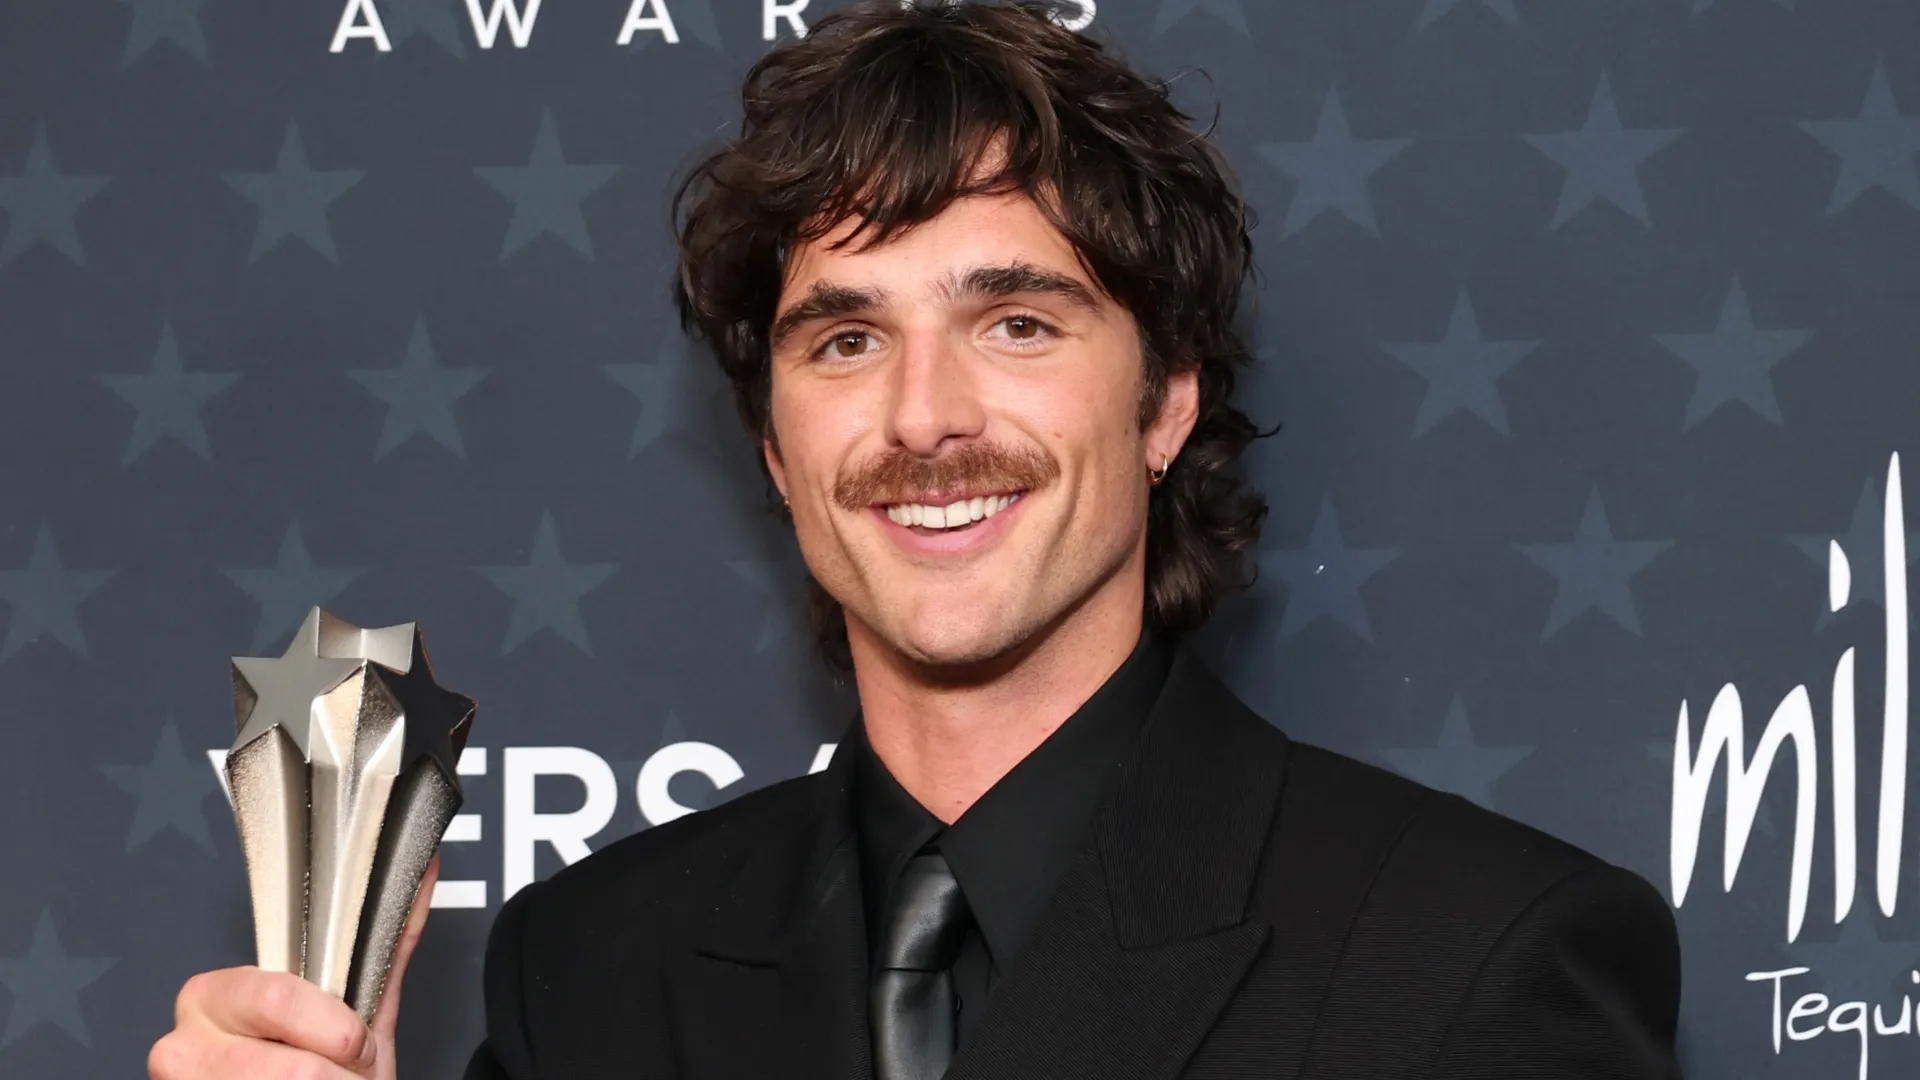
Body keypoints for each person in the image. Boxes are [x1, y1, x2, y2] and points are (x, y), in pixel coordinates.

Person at [148, 2, 1683, 1078]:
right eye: (842, 341)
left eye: (1016, 321)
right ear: (775, 445)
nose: (924, 418)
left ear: (1163, 407)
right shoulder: (593, 976)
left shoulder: (1477, 961)